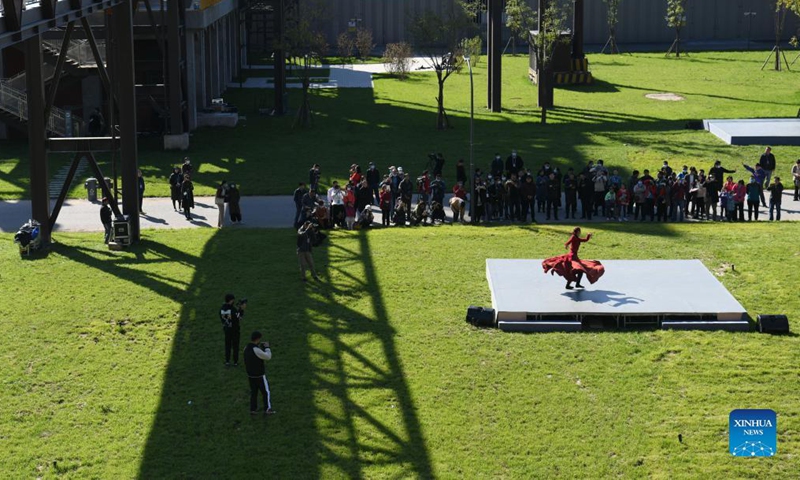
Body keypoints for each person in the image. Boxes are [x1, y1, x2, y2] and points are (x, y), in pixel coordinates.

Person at [243, 331, 274, 415]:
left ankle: (253, 409)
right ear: (258, 339)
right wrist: (267, 348)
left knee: (254, 392)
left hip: (250, 375)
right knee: (265, 392)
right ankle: (267, 409)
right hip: (259, 375)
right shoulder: (256, 349)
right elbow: (268, 357)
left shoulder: (246, 348)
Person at [220, 293, 245, 366]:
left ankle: (227, 361)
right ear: (231, 300)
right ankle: (235, 362)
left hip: (227, 330)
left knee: (227, 346)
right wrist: (241, 309)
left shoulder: (222, 309)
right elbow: (239, 317)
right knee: (235, 346)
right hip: (235, 330)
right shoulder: (233, 309)